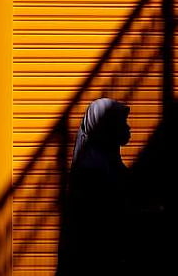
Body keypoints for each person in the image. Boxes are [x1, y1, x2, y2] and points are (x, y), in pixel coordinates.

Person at [56, 98, 132, 276]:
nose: (128, 127)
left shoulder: (107, 160)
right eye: (121, 122)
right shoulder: (92, 170)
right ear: (104, 126)